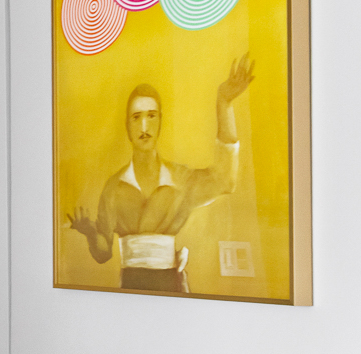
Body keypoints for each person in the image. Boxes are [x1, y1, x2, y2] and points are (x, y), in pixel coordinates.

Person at [66, 55, 254, 292]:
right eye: (137, 118)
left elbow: (224, 180)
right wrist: (90, 232)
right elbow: (103, 253)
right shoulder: (113, 187)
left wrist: (224, 103)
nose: (144, 127)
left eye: (151, 116)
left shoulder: (180, 179)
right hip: (130, 291)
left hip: (171, 290)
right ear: (127, 126)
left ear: (160, 121)